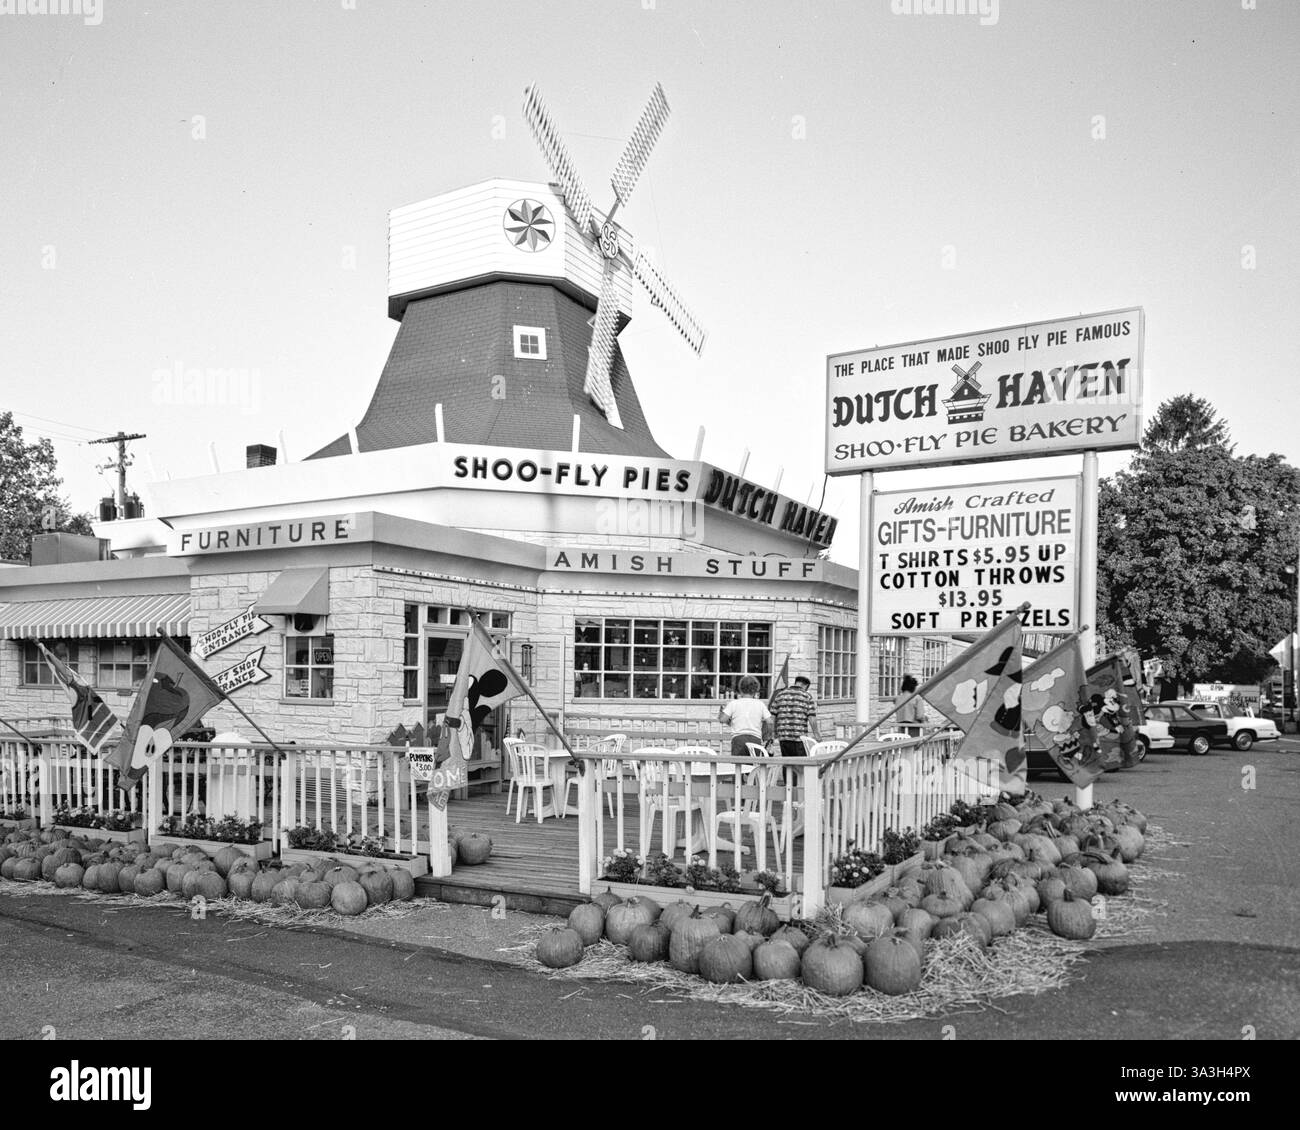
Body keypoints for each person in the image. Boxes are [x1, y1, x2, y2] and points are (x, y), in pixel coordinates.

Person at [718, 675, 772, 757]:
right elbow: (770, 722)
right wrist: (768, 737)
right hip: (755, 739)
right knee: (754, 768)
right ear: (755, 690)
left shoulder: (734, 703)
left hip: (738, 739)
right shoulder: (760, 704)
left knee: (739, 767)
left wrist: (721, 713)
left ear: (740, 689)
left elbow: (723, 719)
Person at [771, 674, 818, 758]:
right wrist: (817, 735)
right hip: (799, 737)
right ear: (805, 686)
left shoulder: (780, 695)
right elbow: (811, 717)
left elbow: (772, 716)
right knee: (800, 764)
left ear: (796, 683)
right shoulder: (806, 696)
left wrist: (772, 734)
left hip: (783, 736)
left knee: (787, 762)